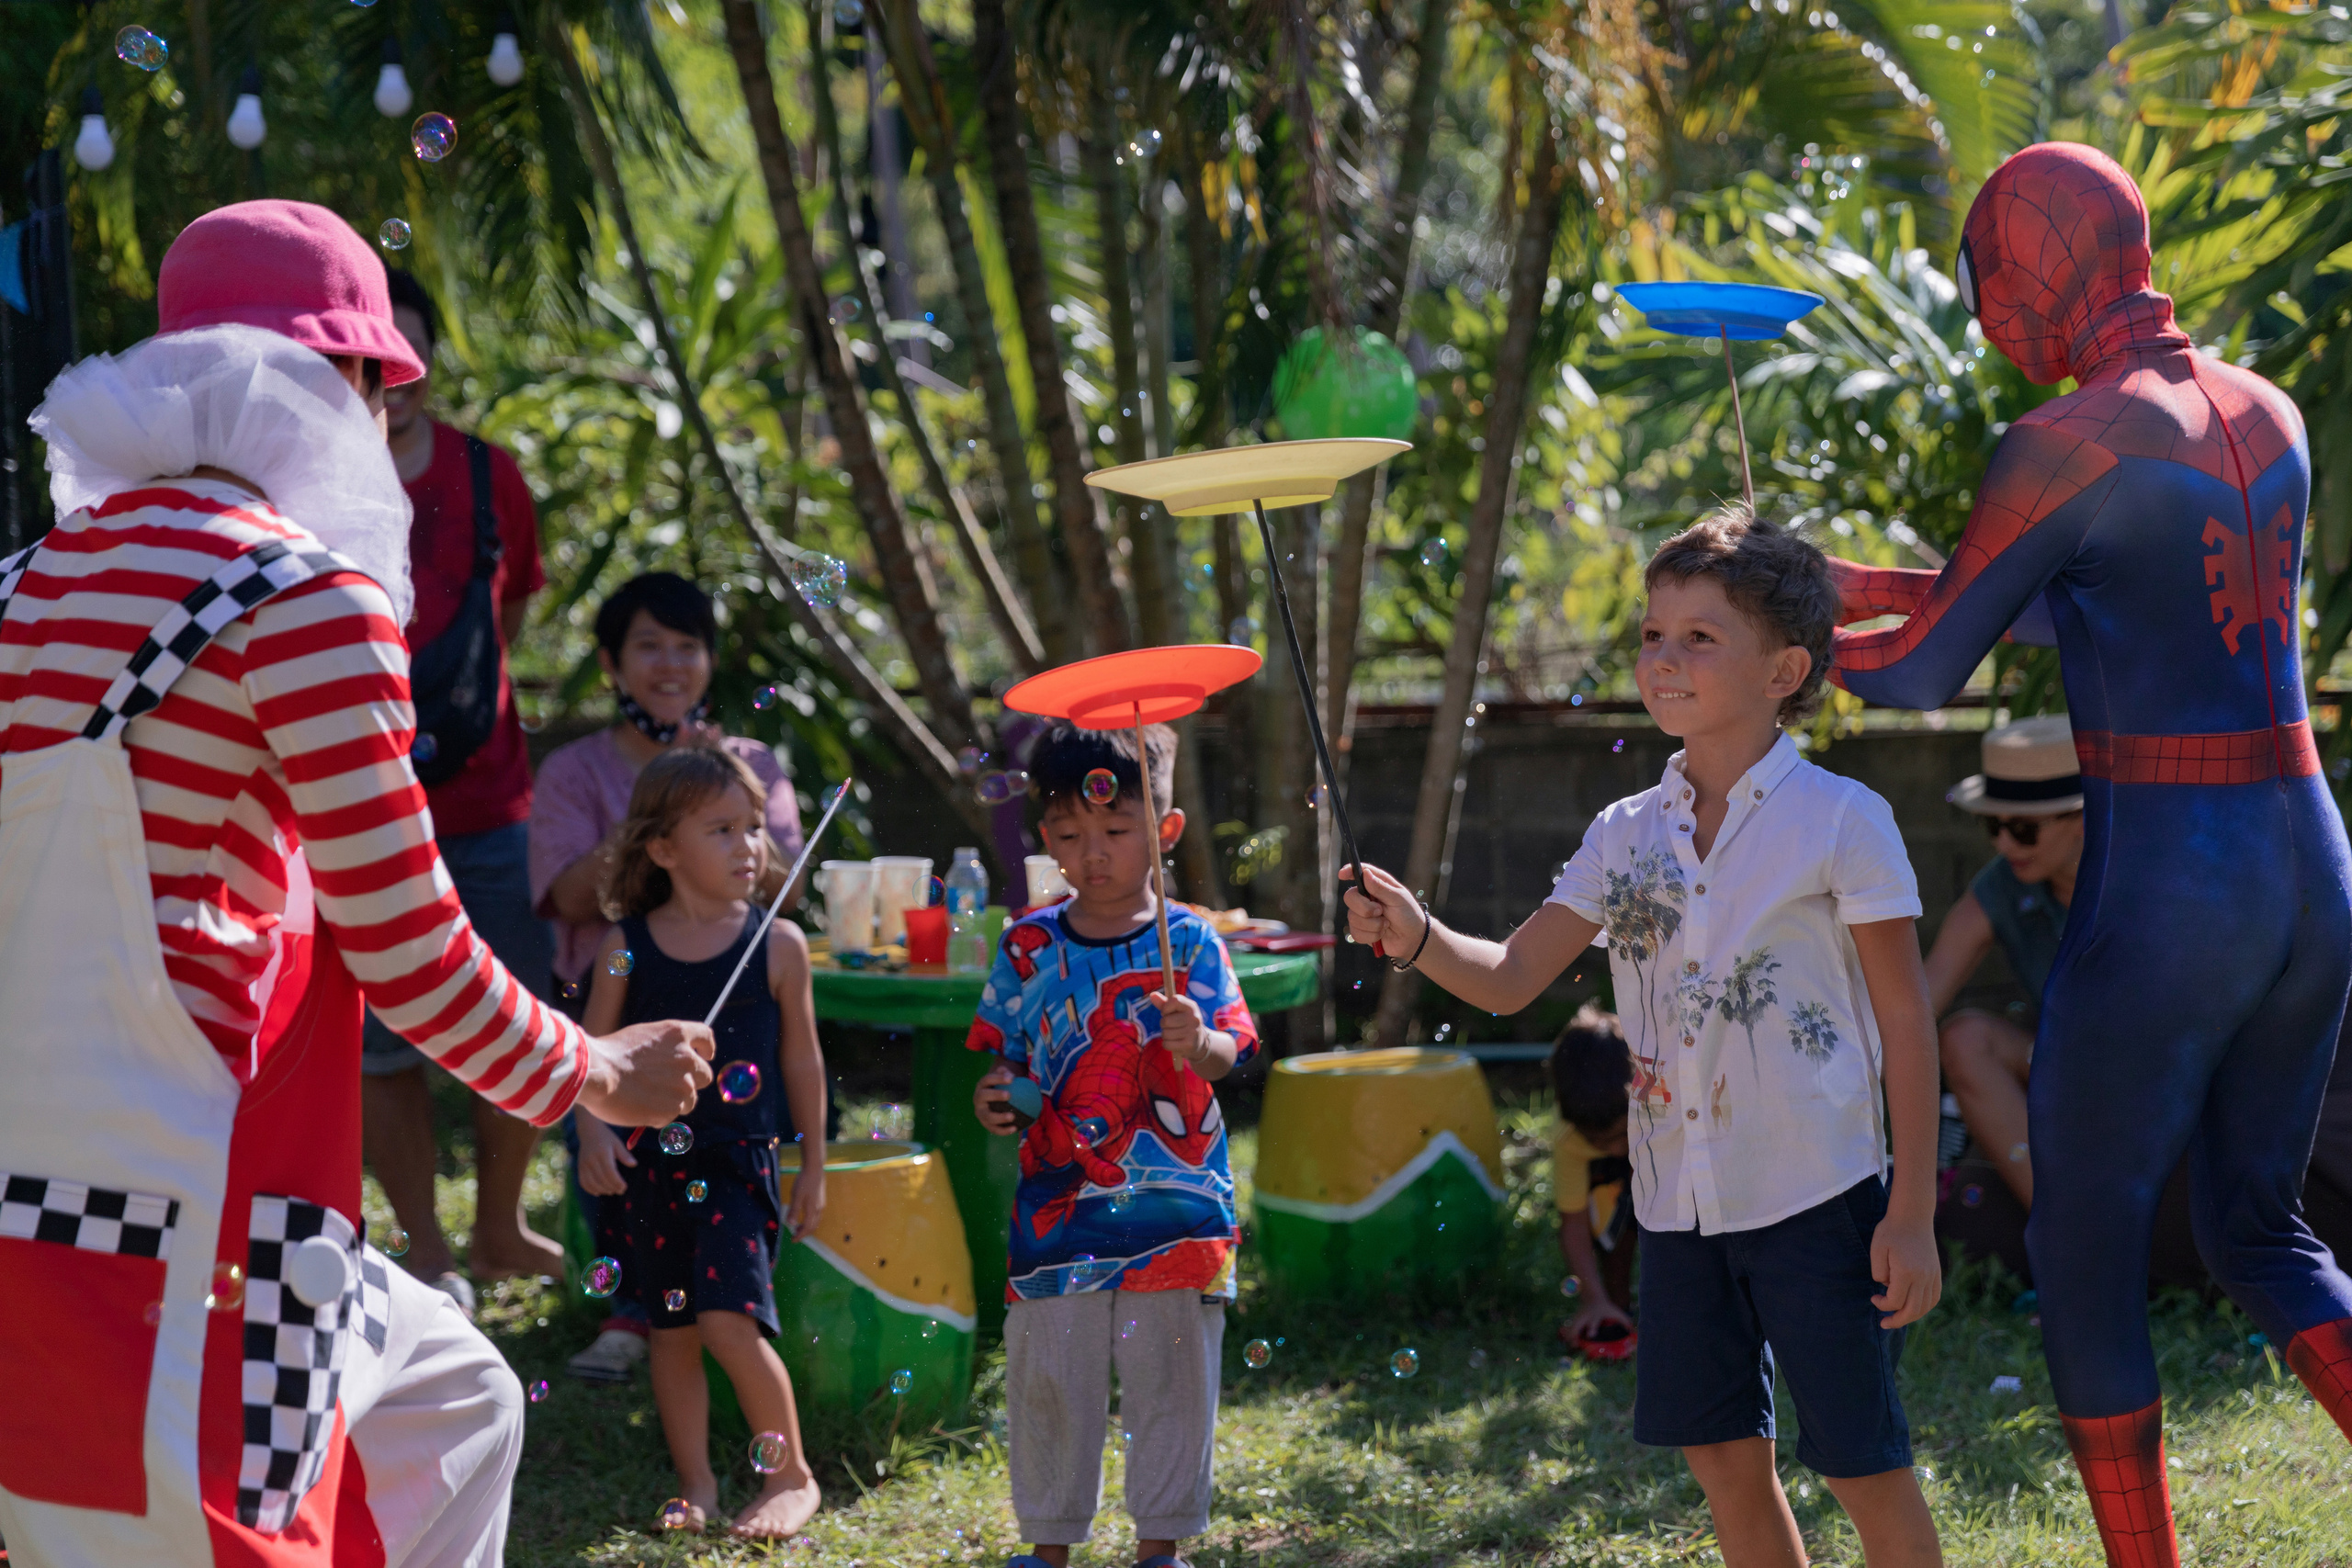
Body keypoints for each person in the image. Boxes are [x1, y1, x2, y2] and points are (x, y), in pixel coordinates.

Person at [0, 200, 711, 1567]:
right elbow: (411, 946)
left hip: (40, 1197)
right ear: (348, 386)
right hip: (203, 1230)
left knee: (457, 1393)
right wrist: (594, 1071)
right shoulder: (302, 599)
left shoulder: (23, 584)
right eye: (381, 390)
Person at [1823, 141, 2352, 1562]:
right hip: (2308, 855)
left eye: (1992, 273)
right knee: (2262, 1229)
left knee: (2083, 1256)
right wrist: (1858, 589)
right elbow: (2109, 599)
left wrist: (1785, 630)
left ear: (2038, 264)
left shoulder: (2067, 440)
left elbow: (1929, 674)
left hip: (2174, 881)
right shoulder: (2268, 409)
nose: (1992, 311)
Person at [1346, 508, 1944, 1567]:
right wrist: (1416, 934)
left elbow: (1904, 1020)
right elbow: (1512, 974)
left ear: (1785, 669)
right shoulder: (1622, 834)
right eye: (1652, 634)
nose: (1661, 659)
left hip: (1818, 1195)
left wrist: (1910, 1212)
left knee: (1859, 1463)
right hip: (1676, 1207)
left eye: (1699, 637)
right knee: (1721, 1460)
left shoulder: (1842, 821)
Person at [966, 723, 1258, 1568]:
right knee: (1050, 1380)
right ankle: (1049, 1546)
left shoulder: (1194, 939)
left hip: (1179, 1213)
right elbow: (1006, 1065)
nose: (1093, 853)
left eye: (1117, 830)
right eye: (1068, 835)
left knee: (1171, 1384)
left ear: (1164, 832)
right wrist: (997, 1099)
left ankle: (1159, 1546)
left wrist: (1196, 1039)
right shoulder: (1027, 942)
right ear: (1043, 837)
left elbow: (1232, 1051)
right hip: (1062, 1213)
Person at [529, 570, 805, 1382]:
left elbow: (779, 876)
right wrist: (665, 817)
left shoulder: (749, 759)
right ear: (611, 662)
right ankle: (631, 1307)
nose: (670, 663)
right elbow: (566, 894)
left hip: (725, 994)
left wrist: (712, 809)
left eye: (688, 645)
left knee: (719, 1155)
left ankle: (724, 1298)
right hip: (616, 990)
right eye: (648, 644)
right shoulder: (576, 771)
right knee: (627, 1159)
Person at [359, 266, 560, 1315]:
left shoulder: (492, 476)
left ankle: (499, 1226)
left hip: (490, 805)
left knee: (514, 1021)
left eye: (408, 355)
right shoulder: (304, 478)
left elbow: (511, 606)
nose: (391, 376)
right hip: (362, 806)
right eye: (370, 351)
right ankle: (427, 1244)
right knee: (377, 1039)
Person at [579, 747, 827, 1539]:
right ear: (661, 848)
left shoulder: (778, 943)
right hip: (652, 1166)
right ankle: (699, 1483)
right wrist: (591, 1129)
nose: (748, 845)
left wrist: (814, 1160)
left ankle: (792, 1474)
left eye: (753, 826)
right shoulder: (624, 944)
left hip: (733, 1162)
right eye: (721, 828)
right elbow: (590, 1050)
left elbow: (803, 1059)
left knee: (726, 1321)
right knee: (672, 1330)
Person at [1922, 715, 2083, 1209]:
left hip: (2164, 1075)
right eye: (1993, 824)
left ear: (2085, 814)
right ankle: (2066, 1234)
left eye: (2022, 828)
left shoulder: (2151, 880)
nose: (2003, 843)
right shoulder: (2002, 885)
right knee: (1965, 1038)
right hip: (2071, 1071)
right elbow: (1916, 1008)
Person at [1550, 1005, 1638, 1357]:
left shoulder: (1668, 1106)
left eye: (1620, 1135)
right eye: (1599, 1143)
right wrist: (1594, 1299)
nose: (1616, 1150)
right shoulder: (1569, 1137)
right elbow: (1574, 1223)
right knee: (1607, 1204)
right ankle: (1614, 1302)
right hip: (1611, 1185)